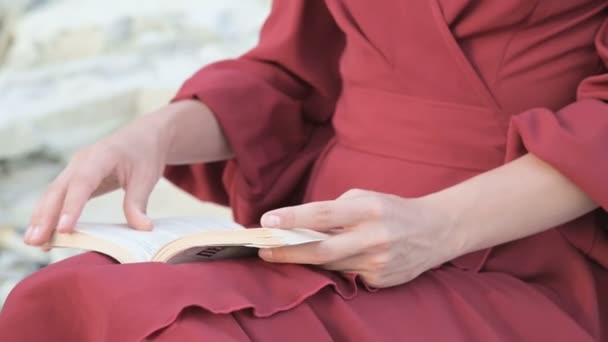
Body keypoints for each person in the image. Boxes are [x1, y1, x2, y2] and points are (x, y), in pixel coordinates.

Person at [1, 0, 607, 340]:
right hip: (317, 240)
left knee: (185, 333)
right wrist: (152, 134)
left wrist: (438, 226)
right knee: (65, 300)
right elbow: (293, 74)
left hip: (521, 251)